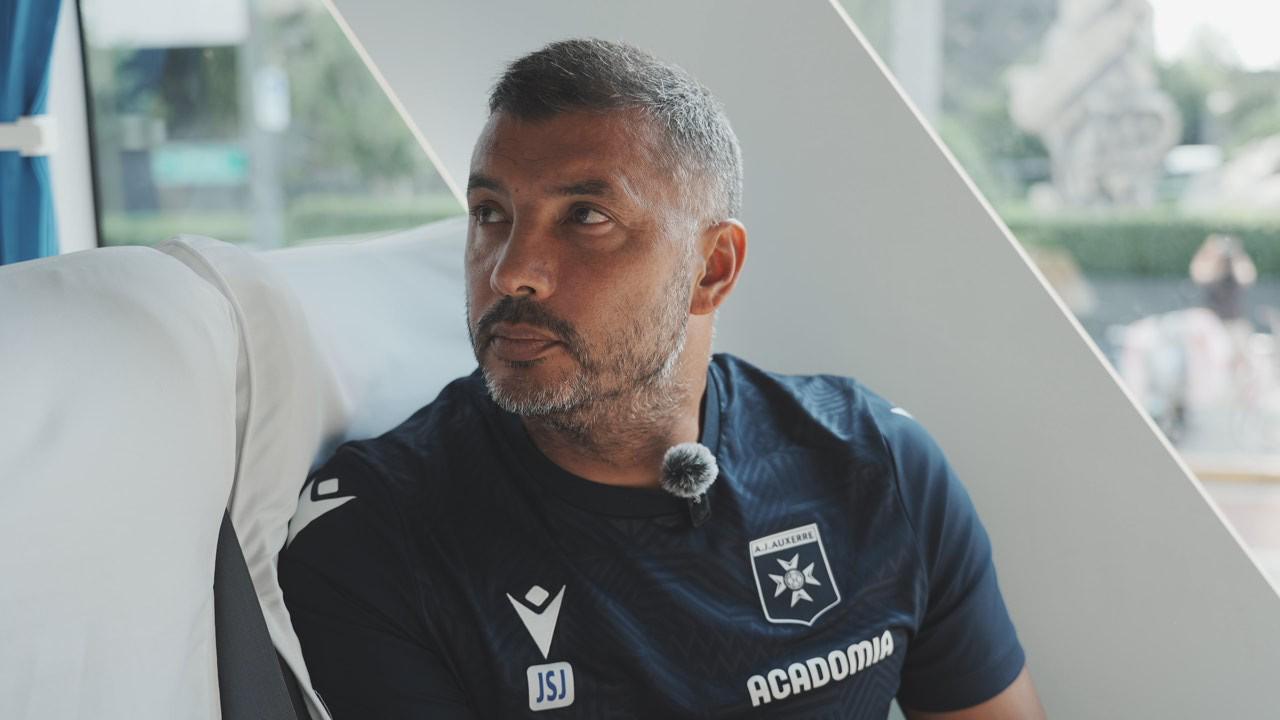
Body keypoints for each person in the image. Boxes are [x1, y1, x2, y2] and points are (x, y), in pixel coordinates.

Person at [279, 38, 1044, 719]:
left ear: (712, 269)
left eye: (585, 216)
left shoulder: (876, 466)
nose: (511, 271)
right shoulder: (375, 538)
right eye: (490, 212)